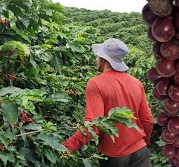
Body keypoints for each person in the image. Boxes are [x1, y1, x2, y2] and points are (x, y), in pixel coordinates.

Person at [62, 38, 154, 167]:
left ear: (104, 59)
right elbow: (148, 119)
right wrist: (144, 141)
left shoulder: (95, 83)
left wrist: (65, 148)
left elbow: (94, 124)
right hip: (140, 151)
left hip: (114, 156)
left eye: (97, 56)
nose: (96, 60)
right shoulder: (136, 82)